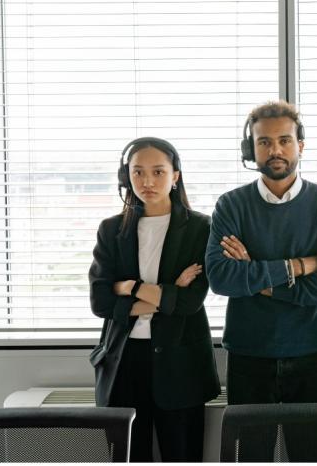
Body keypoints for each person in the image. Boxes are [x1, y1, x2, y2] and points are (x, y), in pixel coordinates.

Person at [205, 100, 317, 461]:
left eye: (284, 140)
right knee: (250, 456)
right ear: (250, 149)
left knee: (311, 455)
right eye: (264, 142)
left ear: (301, 145)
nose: (275, 150)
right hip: (249, 351)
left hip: (311, 350)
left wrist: (255, 275)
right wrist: (298, 266)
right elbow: (222, 277)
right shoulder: (231, 205)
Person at [88, 137, 220, 462]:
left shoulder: (201, 228)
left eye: (158, 172)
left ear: (176, 175)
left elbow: (191, 303)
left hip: (181, 366)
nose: (147, 181)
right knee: (130, 457)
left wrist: (128, 287)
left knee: (183, 456)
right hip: (123, 363)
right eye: (138, 172)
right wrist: (165, 291)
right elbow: (100, 302)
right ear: (126, 176)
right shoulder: (111, 229)